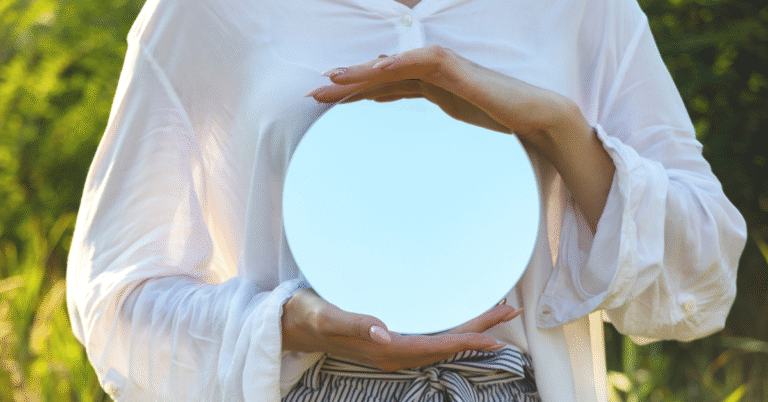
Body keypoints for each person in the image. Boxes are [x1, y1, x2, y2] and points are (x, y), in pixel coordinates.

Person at [65, 0, 747, 400]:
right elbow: (113, 301)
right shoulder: (203, 13)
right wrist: (289, 325)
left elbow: (702, 281)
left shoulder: (579, 10)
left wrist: (557, 127)